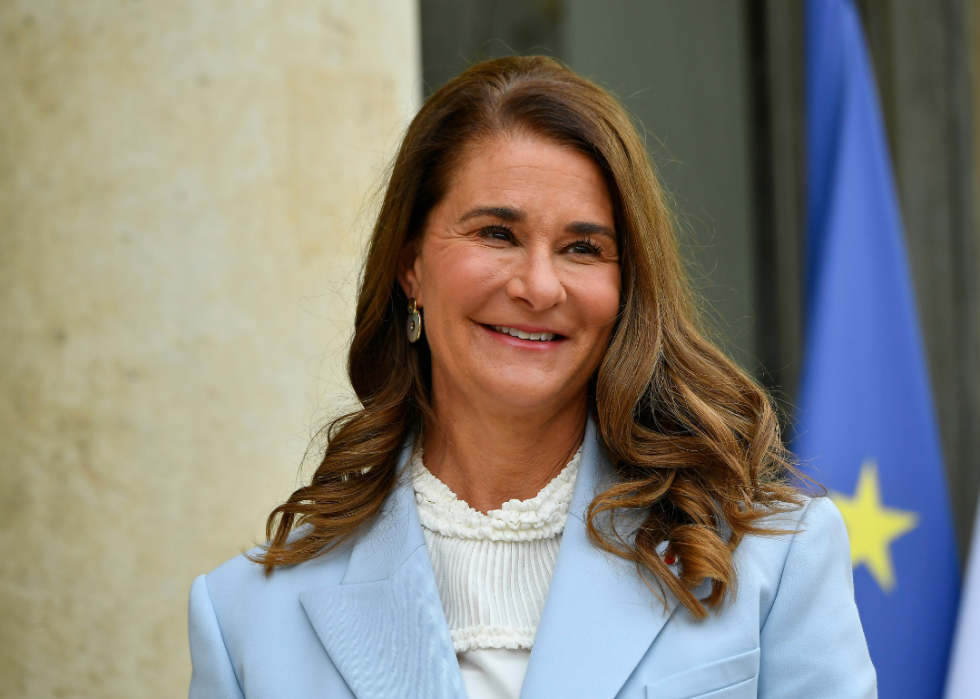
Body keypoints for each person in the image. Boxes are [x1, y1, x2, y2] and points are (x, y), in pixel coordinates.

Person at [188, 56, 876, 699]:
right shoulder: (247, 614)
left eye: (584, 248)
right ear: (411, 266)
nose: (539, 286)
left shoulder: (773, 560)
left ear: (626, 285)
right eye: (496, 233)